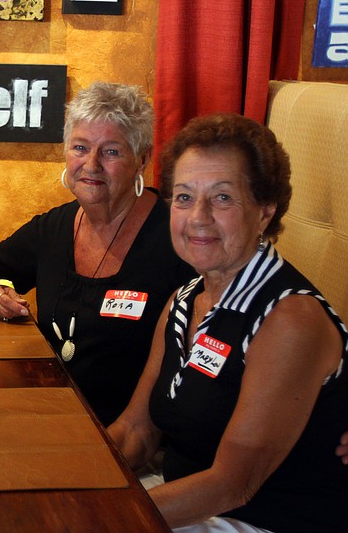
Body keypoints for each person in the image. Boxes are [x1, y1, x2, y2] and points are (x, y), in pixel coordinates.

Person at [108, 113, 348, 532]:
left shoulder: (290, 318)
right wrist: (67, 482)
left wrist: (97, 515)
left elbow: (233, 486)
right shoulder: (184, 301)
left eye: (222, 198)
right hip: (186, 505)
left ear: (264, 212)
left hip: (262, 520)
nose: (198, 217)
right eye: (184, 197)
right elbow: (136, 432)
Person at [0, 82, 195, 425]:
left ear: (143, 159)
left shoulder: (180, 239)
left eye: (111, 151)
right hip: (49, 413)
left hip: (131, 435)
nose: (91, 164)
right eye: (80, 148)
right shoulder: (54, 227)